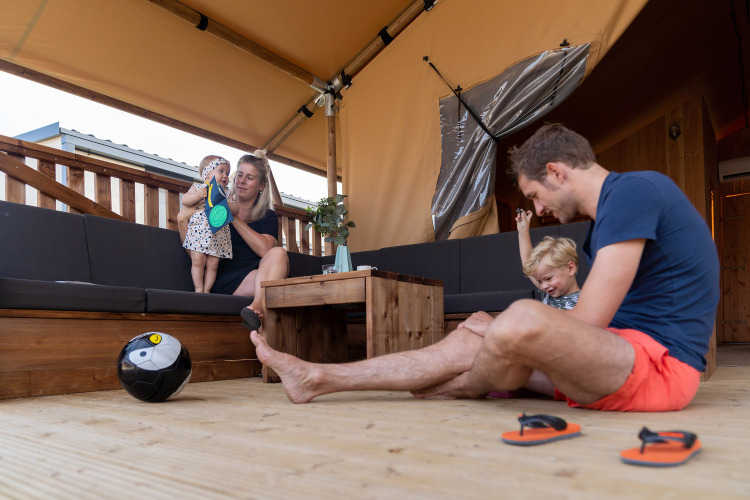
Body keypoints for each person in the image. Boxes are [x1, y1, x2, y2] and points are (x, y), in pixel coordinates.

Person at [250, 123, 719, 412]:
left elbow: (588, 323)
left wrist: (500, 333)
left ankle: (465, 387)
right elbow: (593, 327)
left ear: (557, 172)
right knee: (477, 331)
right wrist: (494, 335)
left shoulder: (634, 192)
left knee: (518, 319)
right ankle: (318, 378)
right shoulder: (608, 219)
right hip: (619, 355)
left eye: (535, 195)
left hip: (662, 368)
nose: (539, 211)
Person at [179, 150, 289, 328]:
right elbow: (195, 247)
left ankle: (255, 307)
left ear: (261, 186)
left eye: (250, 178)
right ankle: (258, 309)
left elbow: (265, 251)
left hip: (253, 277)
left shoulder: (266, 216)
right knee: (276, 288)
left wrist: (232, 216)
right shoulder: (215, 205)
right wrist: (182, 221)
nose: (242, 181)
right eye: (239, 175)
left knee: (278, 254)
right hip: (222, 278)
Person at [182, 156, 235, 293]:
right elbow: (185, 201)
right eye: (221, 171)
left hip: (218, 234)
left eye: (227, 174)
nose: (225, 176)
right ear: (207, 173)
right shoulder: (199, 188)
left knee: (213, 264)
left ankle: (207, 291)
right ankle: (199, 289)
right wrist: (198, 196)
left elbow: (237, 209)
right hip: (199, 232)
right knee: (198, 260)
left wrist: (225, 202)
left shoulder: (226, 192)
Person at [516, 210, 580, 310]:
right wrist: (523, 230)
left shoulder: (583, 302)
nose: (543, 286)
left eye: (548, 278)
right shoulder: (548, 292)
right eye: (540, 281)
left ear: (570, 268)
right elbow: (527, 264)